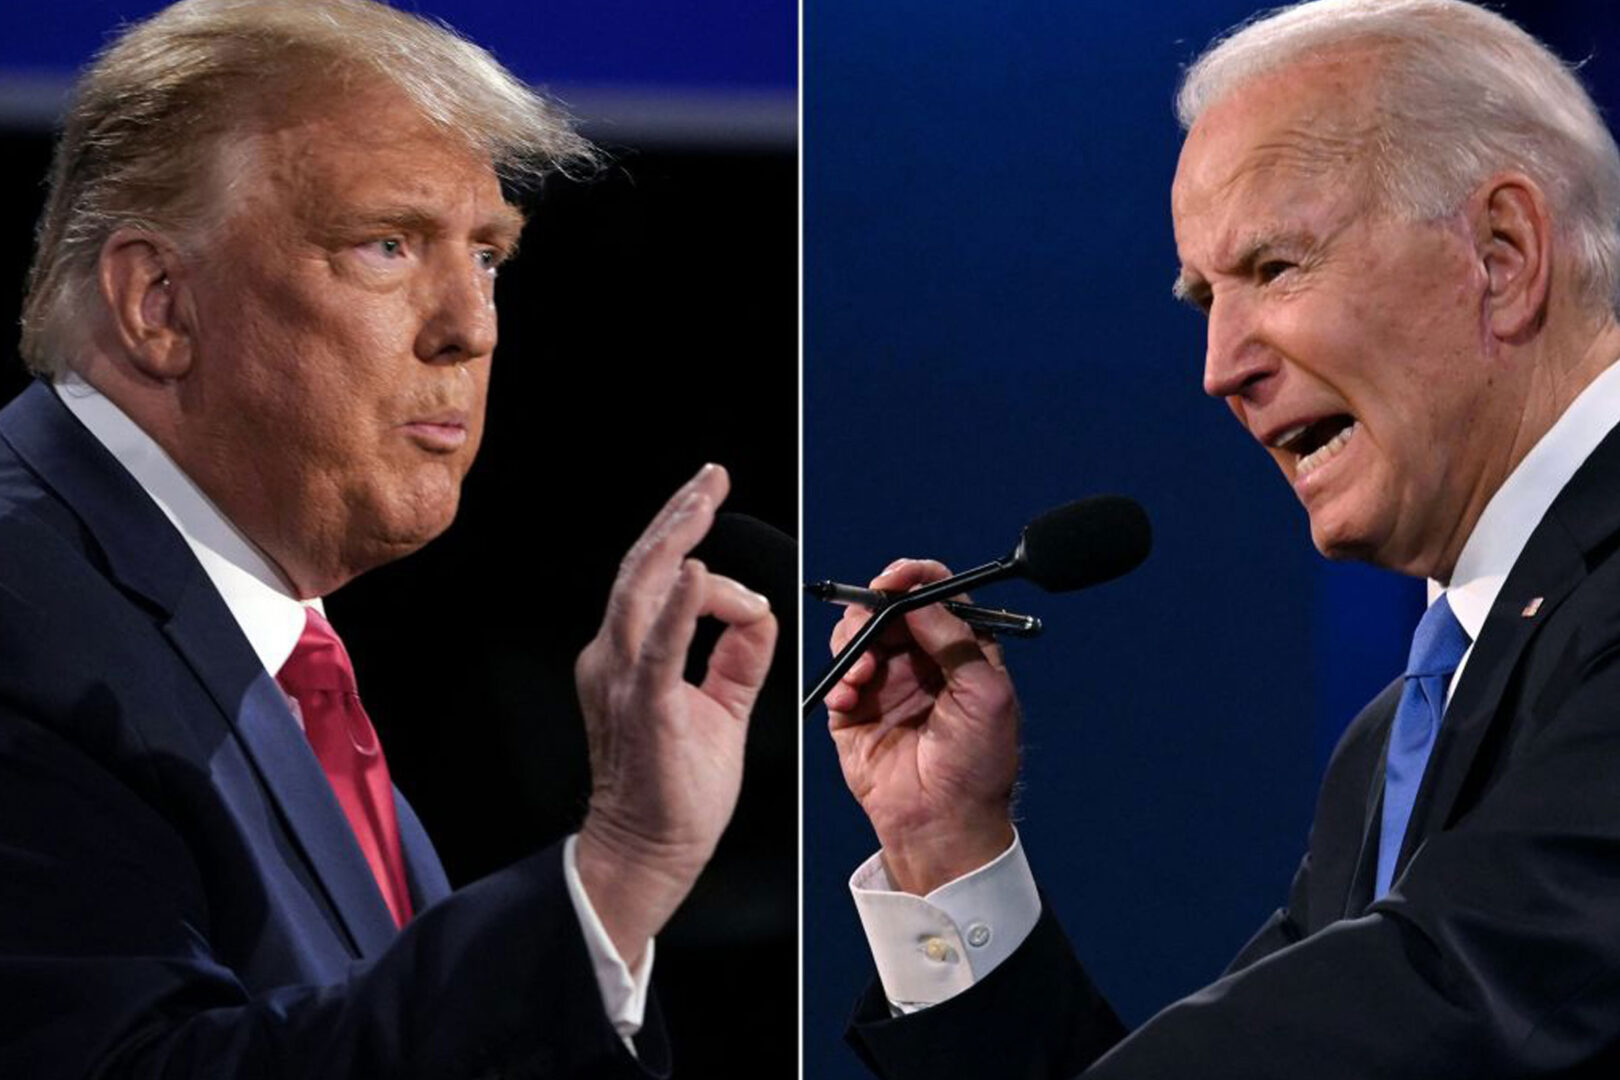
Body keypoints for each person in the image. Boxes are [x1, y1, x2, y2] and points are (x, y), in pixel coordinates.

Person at [827, 1, 1620, 1076]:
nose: (1220, 366)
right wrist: (944, 847)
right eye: (1204, 297)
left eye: (1275, 269)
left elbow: (1469, 1004)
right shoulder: (1394, 740)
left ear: (1503, 252)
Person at [0, 1, 778, 1076]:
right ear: (159, 304)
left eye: (490, 256)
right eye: (387, 244)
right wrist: (615, 874)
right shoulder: (25, 615)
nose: (473, 324)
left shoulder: (256, 643)